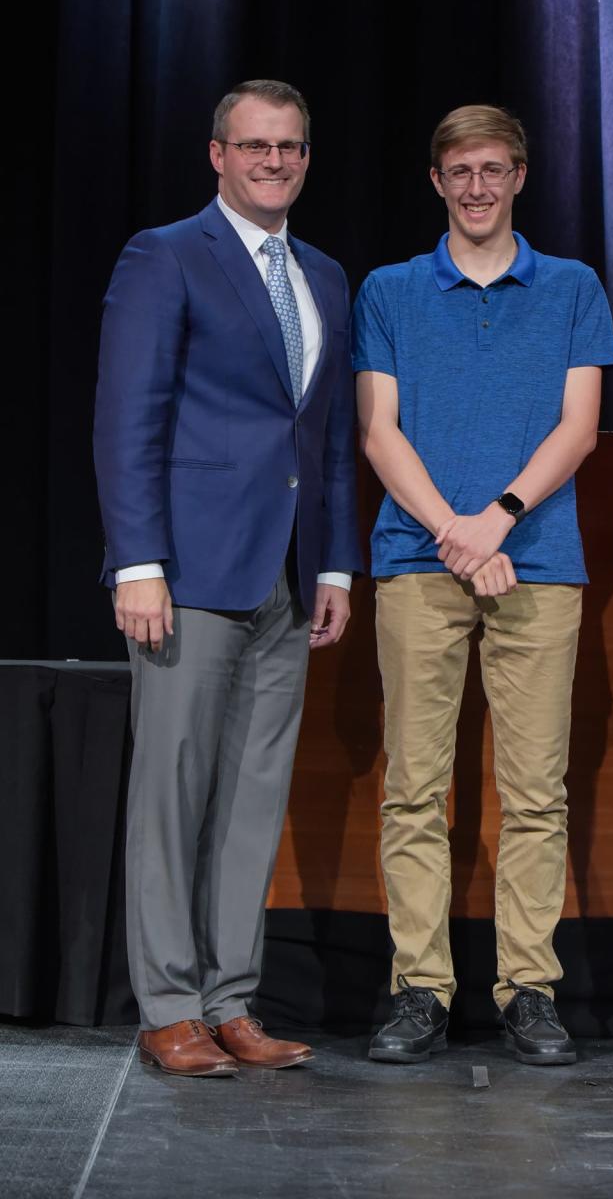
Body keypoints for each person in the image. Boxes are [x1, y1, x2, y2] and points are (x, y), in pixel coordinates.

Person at [93, 79, 361, 1076]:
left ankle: (229, 1000)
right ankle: (167, 1005)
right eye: (254, 146)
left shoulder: (325, 275)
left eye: (289, 147)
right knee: (172, 793)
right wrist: (138, 562)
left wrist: (334, 561)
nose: (273, 162)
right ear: (218, 155)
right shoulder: (165, 257)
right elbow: (129, 419)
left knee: (253, 800)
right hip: (188, 573)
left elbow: (324, 434)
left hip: (287, 575)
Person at [352, 104, 613, 1065]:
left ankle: (529, 988)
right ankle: (419, 987)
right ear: (437, 180)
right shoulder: (388, 289)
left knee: (534, 791)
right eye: (460, 170)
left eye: (494, 170)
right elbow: (380, 432)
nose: (477, 187)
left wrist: (495, 520)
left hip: (537, 565)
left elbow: (580, 427)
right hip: (416, 562)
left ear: (520, 178)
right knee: (414, 791)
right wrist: (452, 535)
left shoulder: (574, 286)